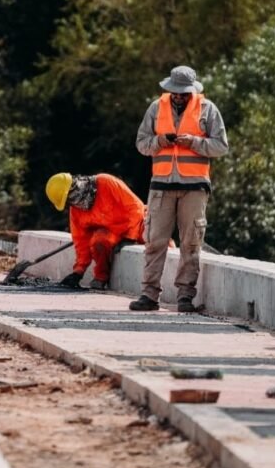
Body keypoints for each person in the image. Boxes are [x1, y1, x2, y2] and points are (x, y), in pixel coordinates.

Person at [131, 65, 229, 312]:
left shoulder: (208, 110)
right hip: (161, 186)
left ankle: (185, 297)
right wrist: (160, 141)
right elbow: (141, 144)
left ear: (191, 92)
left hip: (194, 188)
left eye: (182, 93)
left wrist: (194, 143)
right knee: (154, 241)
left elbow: (221, 146)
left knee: (191, 243)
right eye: (174, 92)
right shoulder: (156, 108)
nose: (177, 96)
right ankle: (149, 296)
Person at [45, 172, 145, 290]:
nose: (70, 204)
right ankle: (101, 277)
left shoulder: (105, 182)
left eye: (67, 200)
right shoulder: (76, 210)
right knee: (98, 241)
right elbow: (81, 241)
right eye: (67, 202)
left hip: (137, 224)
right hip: (113, 234)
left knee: (158, 239)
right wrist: (78, 271)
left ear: (73, 188)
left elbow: (135, 207)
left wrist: (130, 237)